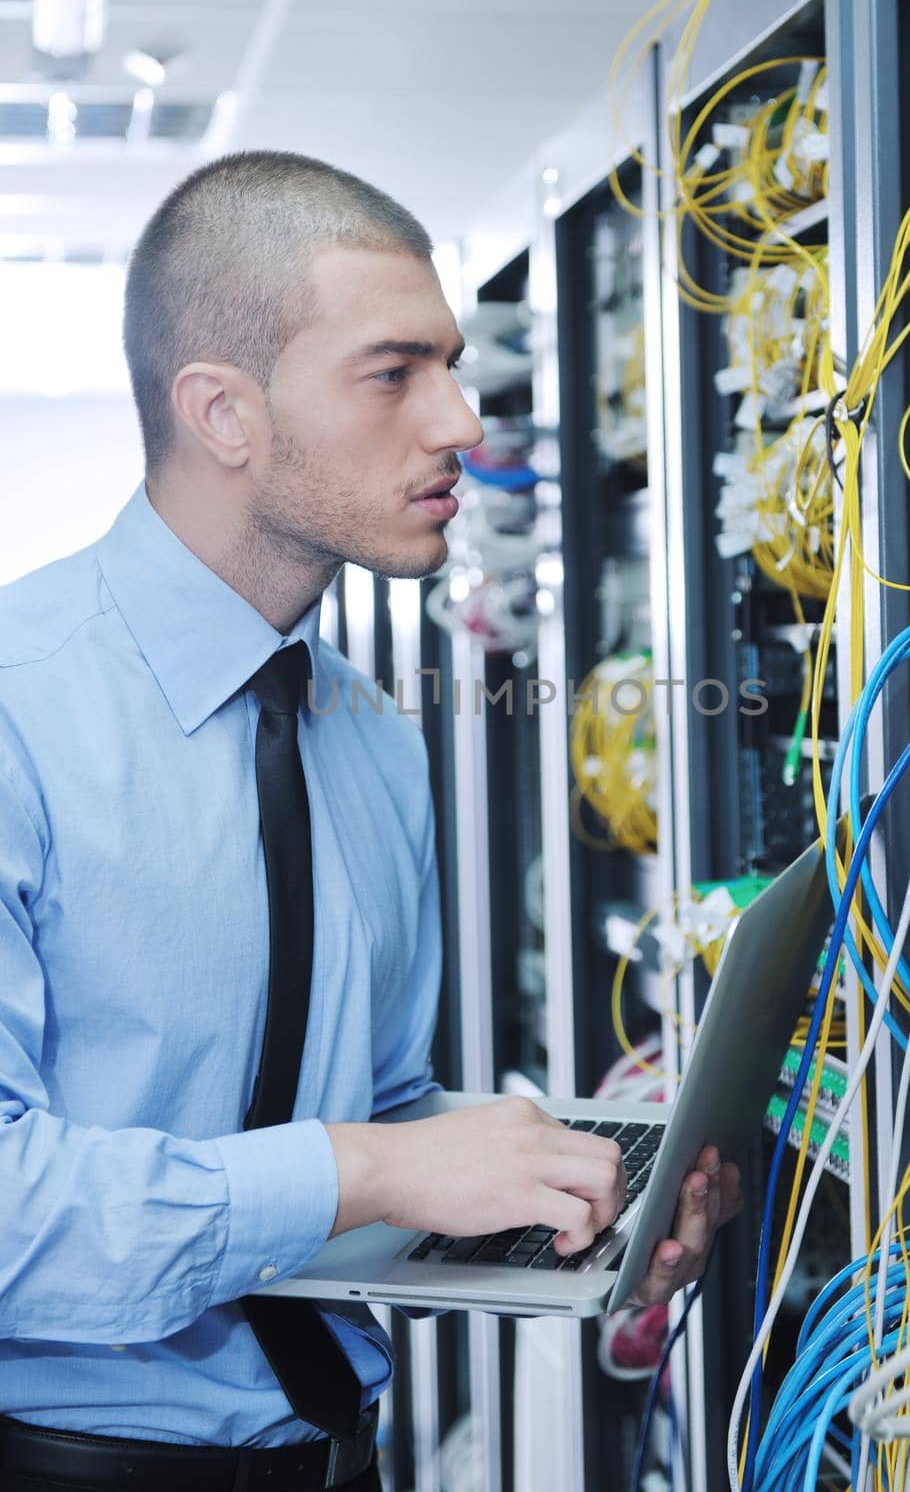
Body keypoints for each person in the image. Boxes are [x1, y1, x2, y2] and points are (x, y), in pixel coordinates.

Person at [0, 151, 741, 1491]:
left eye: (452, 366)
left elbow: (378, 1121)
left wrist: (576, 1190)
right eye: (396, 373)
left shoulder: (370, 736)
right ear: (223, 412)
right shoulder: (17, 713)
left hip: (338, 1457)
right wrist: (370, 1166)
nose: (463, 421)